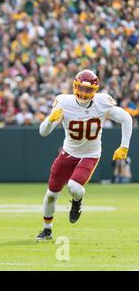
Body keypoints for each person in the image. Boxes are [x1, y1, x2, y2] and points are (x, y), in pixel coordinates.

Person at [36, 69, 133, 240]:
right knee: (51, 194)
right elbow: (43, 132)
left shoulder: (102, 103)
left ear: (95, 90)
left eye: (88, 90)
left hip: (90, 154)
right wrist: (51, 119)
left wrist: (124, 146)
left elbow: (127, 118)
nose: (83, 92)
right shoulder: (64, 103)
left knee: (74, 187)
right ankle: (47, 229)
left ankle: (77, 202)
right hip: (68, 153)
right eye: (81, 88)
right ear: (74, 86)